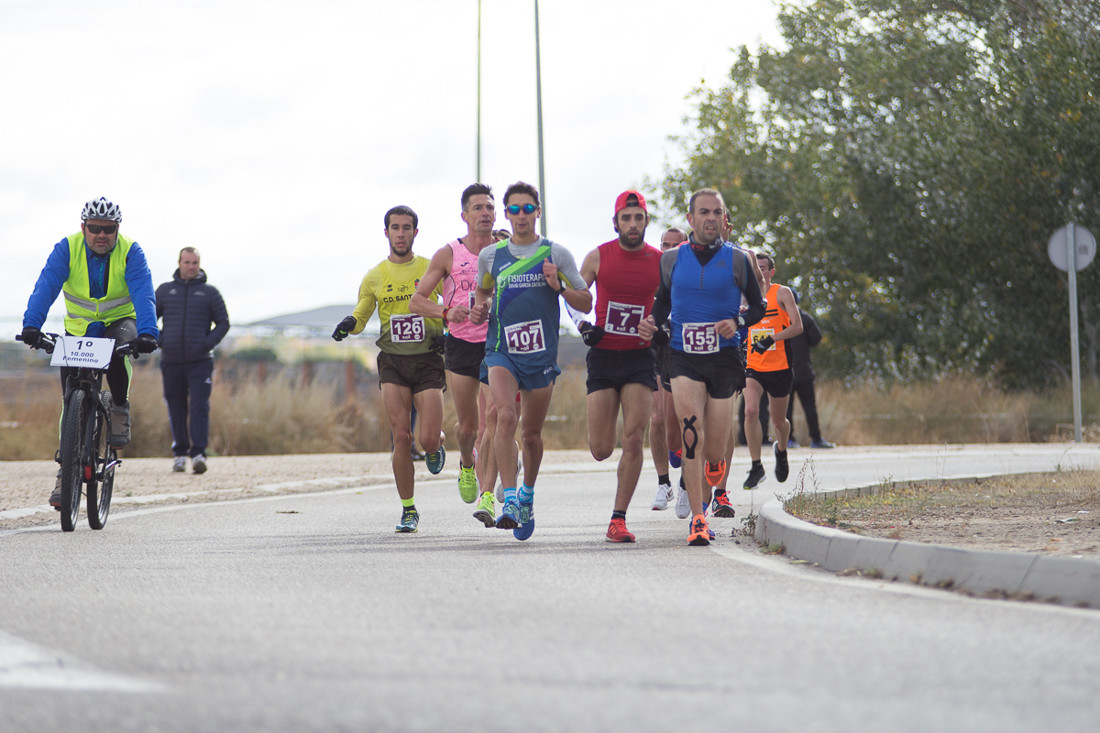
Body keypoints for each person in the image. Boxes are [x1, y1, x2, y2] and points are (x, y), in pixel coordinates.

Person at [640, 188, 765, 546]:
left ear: (724, 218)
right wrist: (652, 322)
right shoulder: (671, 260)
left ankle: (715, 468)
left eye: (717, 212)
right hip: (682, 356)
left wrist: (737, 323)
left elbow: (757, 307)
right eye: (704, 212)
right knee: (690, 433)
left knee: (714, 449)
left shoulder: (740, 259)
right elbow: (662, 305)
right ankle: (698, 518)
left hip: (724, 358)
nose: (711, 218)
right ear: (690, 217)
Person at [468, 181, 591, 541]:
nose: (521, 215)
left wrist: (559, 287)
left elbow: (586, 302)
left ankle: (527, 495)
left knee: (532, 435)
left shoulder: (556, 254)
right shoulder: (491, 256)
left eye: (527, 208)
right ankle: (508, 498)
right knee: (504, 416)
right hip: (502, 352)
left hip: (539, 357)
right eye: (514, 209)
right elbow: (483, 288)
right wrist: (480, 308)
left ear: (538, 211)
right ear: (506, 214)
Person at [21, 196, 159, 508]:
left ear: (117, 229)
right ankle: (65, 471)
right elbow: (46, 286)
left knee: (117, 354)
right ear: (83, 227)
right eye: (95, 228)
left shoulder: (130, 252)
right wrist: (32, 325)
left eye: (108, 229)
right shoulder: (67, 249)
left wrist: (149, 332)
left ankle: (120, 406)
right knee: (70, 399)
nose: (101, 235)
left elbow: (143, 292)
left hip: (119, 323)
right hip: (80, 330)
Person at [332, 205, 446, 533]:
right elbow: (361, 315)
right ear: (386, 233)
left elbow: (449, 305)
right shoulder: (374, 276)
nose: (400, 233)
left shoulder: (430, 268)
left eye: (406, 228)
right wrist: (348, 325)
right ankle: (408, 510)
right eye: (394, 228)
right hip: (393, 361)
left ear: (415, 232)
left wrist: (445, 334)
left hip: (428, 359)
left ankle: (437, 440)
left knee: (426, 439)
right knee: (401, 436)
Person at [409, 183, 500, 525]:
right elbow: (417, 301)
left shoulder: (505, 250)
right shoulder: (448, 253)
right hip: (461, 344)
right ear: (464, 215)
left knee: (495, 416)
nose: (485, 213)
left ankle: (489, 493)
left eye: (489, 207)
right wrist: (447, 312)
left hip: (496, 344)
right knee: (468, 428)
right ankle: (466, 464)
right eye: (477, 208)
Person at [576, 191, 663, 542]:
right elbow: (577, 300)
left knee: (633, 438)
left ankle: (618, 518)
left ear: (645, 221)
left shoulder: (660, 261)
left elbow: (672, 303)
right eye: (626, 218)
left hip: (640, 357)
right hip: (603, 355)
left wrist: (656, 322)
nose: (632, 224)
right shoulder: (598, 256)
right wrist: (585, 328)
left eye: (638, 218)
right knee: (600, 449)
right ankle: (617, 511)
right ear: (616, 223)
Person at [155, 247, 230, 474]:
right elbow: (148, 319)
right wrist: (162, 340)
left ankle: (198, 454)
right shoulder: (165, 291)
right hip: (171, 360)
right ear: (179, 263)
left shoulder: (210, 293)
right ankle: (179, 454)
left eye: (195, 262)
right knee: (176, 408)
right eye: (187, 262)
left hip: (200, 362)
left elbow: (223, 323)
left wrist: (206, 343)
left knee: (199, 408)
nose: (191, 266)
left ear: (199, 264)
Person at [742, 253, 803, 489]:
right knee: (750, 410)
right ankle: (756, 465)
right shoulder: (745, 296)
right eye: (755, 268)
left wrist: (772, 339)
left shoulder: (782, 293)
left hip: (780, 365)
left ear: (771, 272)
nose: (760, 272)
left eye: (763, 268)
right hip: (753, 364)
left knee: (779, 422)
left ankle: (781, 449)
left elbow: (797, 327)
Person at [648, 227, 687, 514]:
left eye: (676, 245)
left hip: (685, 348)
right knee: (658, 417)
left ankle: (688, 482)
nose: (669, 249)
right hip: (656, 349)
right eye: (665, 244)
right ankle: (664, 482)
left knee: (684, 420)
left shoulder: (693, 272)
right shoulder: (652, 272)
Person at [785, 306, 835, 449]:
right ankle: (816, 439)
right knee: (809, 406)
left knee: (786, 408)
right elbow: (816, 339)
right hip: (803, 372)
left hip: (785, 371)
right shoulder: (805, 318)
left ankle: (789, 440)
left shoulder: (779, 319)